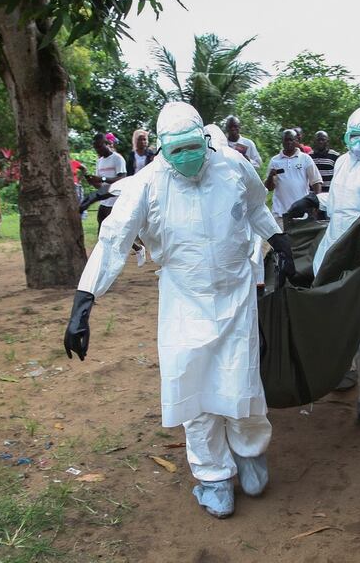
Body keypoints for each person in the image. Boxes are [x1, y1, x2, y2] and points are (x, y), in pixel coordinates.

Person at [64, 101, 294, 519]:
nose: (187, 157)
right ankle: (213, 477)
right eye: (176, 151)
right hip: (184, 299)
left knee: (242, 380)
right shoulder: (147, 184)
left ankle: (250, 454)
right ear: (161, 150)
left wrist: (278, 242)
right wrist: (84, 303)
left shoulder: (232, 166)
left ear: (206, 140)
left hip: (236, 292)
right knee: (196, 389)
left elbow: (258, 206)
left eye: (192, 147)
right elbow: (113, 242)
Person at [292, 106, 360, 425]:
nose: (357, 143)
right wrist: (315, 200)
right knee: (337, 315)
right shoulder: (342, 162)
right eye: (352, 136)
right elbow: (339, 203)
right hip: (334, 249)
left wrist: (359, 235)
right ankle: (345, 370)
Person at [265, 129, 321, 225]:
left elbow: (316, 182)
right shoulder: (275, 161)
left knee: (300, 239)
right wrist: (270, 176)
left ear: (297, 141)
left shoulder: (305, 158)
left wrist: (317, 204)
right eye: (286, 140)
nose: (289, 142)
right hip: (280, 213)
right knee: (281, 239)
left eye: (291, 140)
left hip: (302, 212)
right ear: (282, 141)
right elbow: (269, 188)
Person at [85, 132, 127, 229]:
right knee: (101, 233)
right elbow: (100, 186)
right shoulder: (99, 162)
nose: (97, 150)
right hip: (104, 203)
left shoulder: (117, 158)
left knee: (118, 233)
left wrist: (102, 179)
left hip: (116, 203)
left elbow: (122, 180)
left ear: (106, 143)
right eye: (95, 148)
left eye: (99, 146)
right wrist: (93, 182)